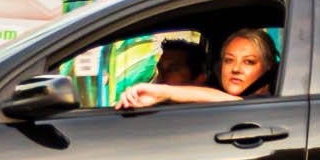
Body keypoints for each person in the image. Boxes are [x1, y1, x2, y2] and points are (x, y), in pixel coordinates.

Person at [119, 28, 277, 107]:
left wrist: (164, 92)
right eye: (229, 60)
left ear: (267, 68)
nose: (236, 69)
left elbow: (233, 102)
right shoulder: (211, 106)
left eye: (249, 62)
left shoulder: (266, 104)